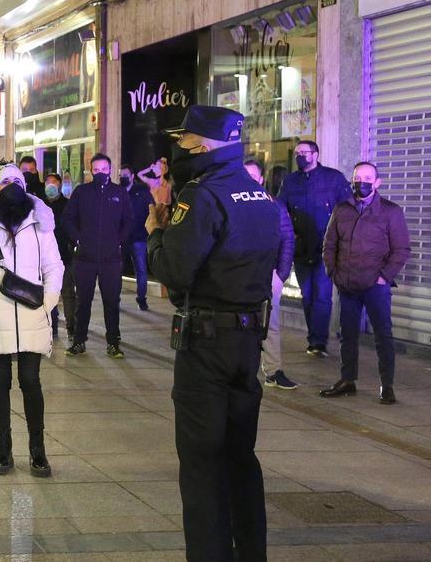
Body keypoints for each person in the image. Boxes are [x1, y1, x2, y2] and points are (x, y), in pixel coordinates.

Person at [146, 105, 278, 562]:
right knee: (242, 458)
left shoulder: (201, 196)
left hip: (206, 345)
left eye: (183, 140)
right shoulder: (259, 195)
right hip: (248, 342)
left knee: (202, 465)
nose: (178, 148)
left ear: (203, 145)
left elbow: (173, 270)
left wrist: (155, 231)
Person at [0, 165, 63, 477]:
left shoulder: (39, 220)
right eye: (4, 181)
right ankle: (3, 450)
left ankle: (37, 451)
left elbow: (54, 265)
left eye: (15, 181)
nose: (10, 186)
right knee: (0, 382)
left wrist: (48, 303)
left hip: (33, 312)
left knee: (31, 381)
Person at [319, 161, 411, 405]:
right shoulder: (342, 209)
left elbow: (401, 249)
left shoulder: (391, 212)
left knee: (383, 336)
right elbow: (329, 245)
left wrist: (384, 277)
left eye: (368, 178)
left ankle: (387, 386)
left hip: (376, 286)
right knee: (347, 335)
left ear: (377, 182)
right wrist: (333, 274)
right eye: (358, 177)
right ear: (352, 180)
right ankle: (347, 381)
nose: (362, 182)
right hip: (347, 285)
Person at [276, 140, 352, 357]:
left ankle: (318, 342)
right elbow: (281, 209)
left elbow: (347, 209)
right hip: (301, 247)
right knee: (307, 295)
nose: (300, 156)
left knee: (321, 295)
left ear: (316, 155)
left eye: (305, 152)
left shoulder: (333, 178)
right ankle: (314, 338)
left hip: (326, 246)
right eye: (297, 153)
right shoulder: (290, 181)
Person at [61, 153, 133, 358]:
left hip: (111, 259)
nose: (100, 172)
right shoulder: (81, 192)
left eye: (104, 169)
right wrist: (78, 239)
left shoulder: (119, 192)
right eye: (96, 169)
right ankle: (79, 342)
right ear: (91, 170)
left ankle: (113, 343)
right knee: (83, 302)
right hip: (85, 258)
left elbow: (129, 220)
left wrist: (118, 240)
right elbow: (68, 219)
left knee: (112, 302)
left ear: (110, 169)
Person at [245, 159, 298, 390]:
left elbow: (287, 240)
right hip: (237, 274)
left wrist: (282, 274)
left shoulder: (275, 205)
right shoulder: (230, 203)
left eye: (252, 176)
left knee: (270, 324)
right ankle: (243, 370)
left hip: (269, 275)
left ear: (261, 179)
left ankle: (273, 371)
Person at [43, 174, 77, 342]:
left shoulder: (68, 205)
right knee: (49, 294)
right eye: (48, 182)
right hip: (44, 259)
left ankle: (71, 328)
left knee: (68, 294)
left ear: (60, 185)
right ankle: (51, 327)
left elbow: (73, 230)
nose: (50, 185)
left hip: (64, 257)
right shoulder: (39, 205)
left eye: (54, 182)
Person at [120, 163, 156, 311]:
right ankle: (114, 299)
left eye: (126, 176)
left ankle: (142, 299)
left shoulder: (141, 191)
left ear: (132, 176)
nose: (123, 178)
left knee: (141, 269)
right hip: (122, 238)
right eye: (121, 176)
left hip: (139, 237)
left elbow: (151, 209)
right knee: (117, 269)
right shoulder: (118, 192)